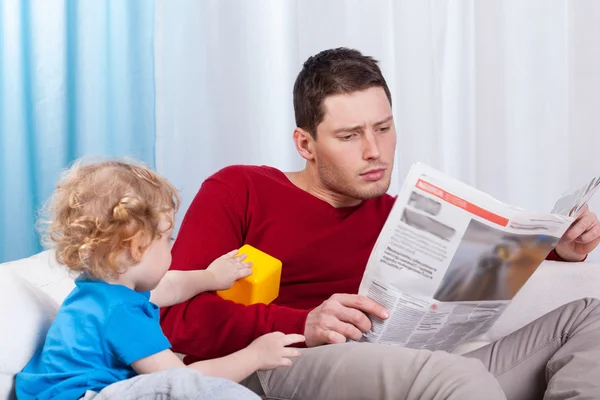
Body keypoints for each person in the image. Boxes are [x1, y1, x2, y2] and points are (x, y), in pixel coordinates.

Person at [160, 48, 600, 399]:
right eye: (350, 136)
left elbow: (489, 259)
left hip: (414, 369)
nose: (375, 151)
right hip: (286, 362)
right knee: (455, 378)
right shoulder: (240, 189)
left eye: (384, 128)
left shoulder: (402, 215)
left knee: (590, 317)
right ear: (305, 144)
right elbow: (174, 316)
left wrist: (561, 246)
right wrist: (304, 323)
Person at [16, 159, 304, 400]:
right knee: (194, 388)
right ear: (136, 247)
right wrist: (253, 356)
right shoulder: (121, 314)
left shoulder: (101, 292)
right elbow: (181, 380)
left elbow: (171, 286)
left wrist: (212, 277)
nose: (171, 248)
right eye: (167, 240)